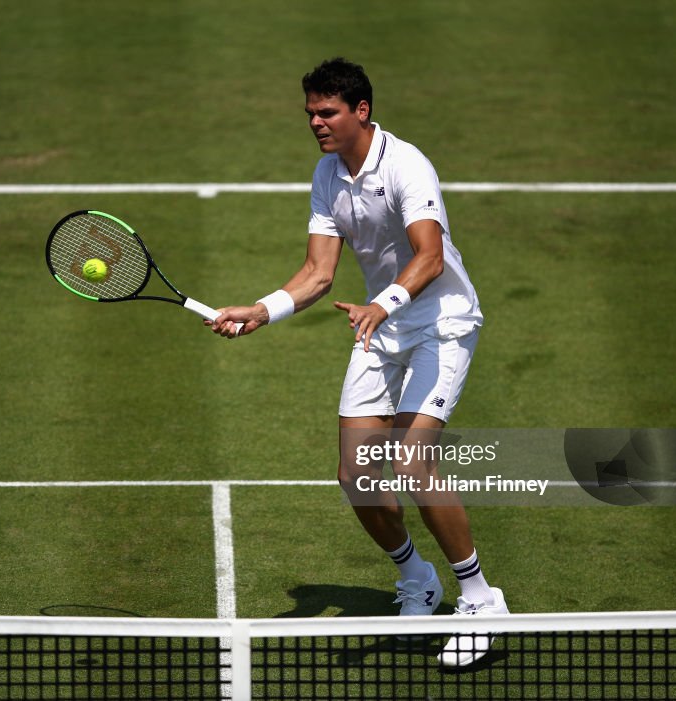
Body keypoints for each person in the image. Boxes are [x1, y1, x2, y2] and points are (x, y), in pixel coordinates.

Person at [208, 57, 508, 667]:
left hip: (441, 324)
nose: (316, 122)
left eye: (328, 112)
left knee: (411, 459)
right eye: (311, 113)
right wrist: (260, 311)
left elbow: (428, 256)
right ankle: (417, 579)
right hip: (383, 327)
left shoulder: (407, 164)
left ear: (360, 111)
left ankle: (480, 598)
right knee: (356, 475)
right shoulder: (326, 174)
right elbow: (319, 273)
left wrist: (382, 302)